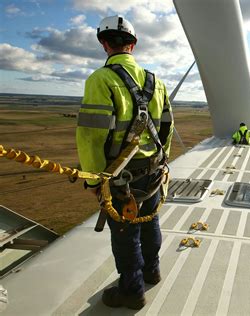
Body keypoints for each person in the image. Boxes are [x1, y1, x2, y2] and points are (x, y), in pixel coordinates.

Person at [76, 15, 173, 310]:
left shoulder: (100, 79)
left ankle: (132, 291)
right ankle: (151, 271)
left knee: (125, 232)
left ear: (104, 44)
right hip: (153, 171)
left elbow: (91, 136)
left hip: (120, 177)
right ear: (133, 44)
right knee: (150, 220)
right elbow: (167, 127)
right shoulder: (156, 82)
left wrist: (95, 180)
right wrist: (161, 162)